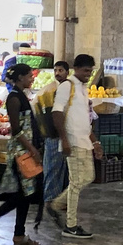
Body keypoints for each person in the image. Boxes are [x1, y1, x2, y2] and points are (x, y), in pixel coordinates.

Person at [0, 63, 44, 245]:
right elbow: (17, 130)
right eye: (28, 76)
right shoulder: (14, 98)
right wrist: (32, 149)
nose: (31, 78)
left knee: (24, 194)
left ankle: (18, 234)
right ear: (19, 78)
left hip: (26, 149)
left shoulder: (22, 96)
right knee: (24, 195)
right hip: (21, 152)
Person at [50, 54, 101, 239]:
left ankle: (55, 205)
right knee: (77, 182)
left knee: (88, 177)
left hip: (84, 140)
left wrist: (95, 142)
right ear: (76, 69)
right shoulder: (67, 86)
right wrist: (64, 139)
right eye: (86, 70)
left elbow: (86, 118)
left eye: (91, 71)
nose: (89, 74)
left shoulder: (83, 88)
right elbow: (56, 113)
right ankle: (70, 225)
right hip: (72, 140)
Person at [36, 61, 72, 225]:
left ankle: (58, 200)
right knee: (52, 168)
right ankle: (50, 200)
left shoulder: (69, 89)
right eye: (56, 70)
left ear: (67, 72)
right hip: (53, 135)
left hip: (64, 135)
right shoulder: (50, 91)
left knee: (62, 170)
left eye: (61, 70)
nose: (58, 73)